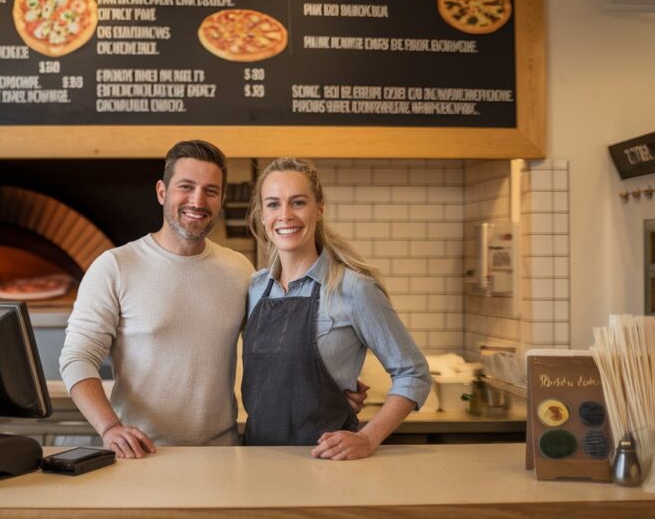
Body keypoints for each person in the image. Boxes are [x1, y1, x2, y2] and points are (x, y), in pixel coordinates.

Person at [60, 142, 367, 458]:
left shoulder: (239, 271)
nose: (197, 200)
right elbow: (77, 358)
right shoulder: (115, 267)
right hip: (140, 454)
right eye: (186, 187)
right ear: (162, 192)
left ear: (221, 199)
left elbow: (273, 349)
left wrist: (329, 383)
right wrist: (109, 427)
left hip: (223, 456)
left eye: (210, 191)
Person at [242, 157, 432, 460]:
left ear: (319, 209)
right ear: (262, 215)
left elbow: (414, 373)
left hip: (327, 463)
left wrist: (368, 438)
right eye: (274, 204)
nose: (285, 215)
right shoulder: (254, 288)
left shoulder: (354, 289)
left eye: (298, 202)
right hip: (255, 461)